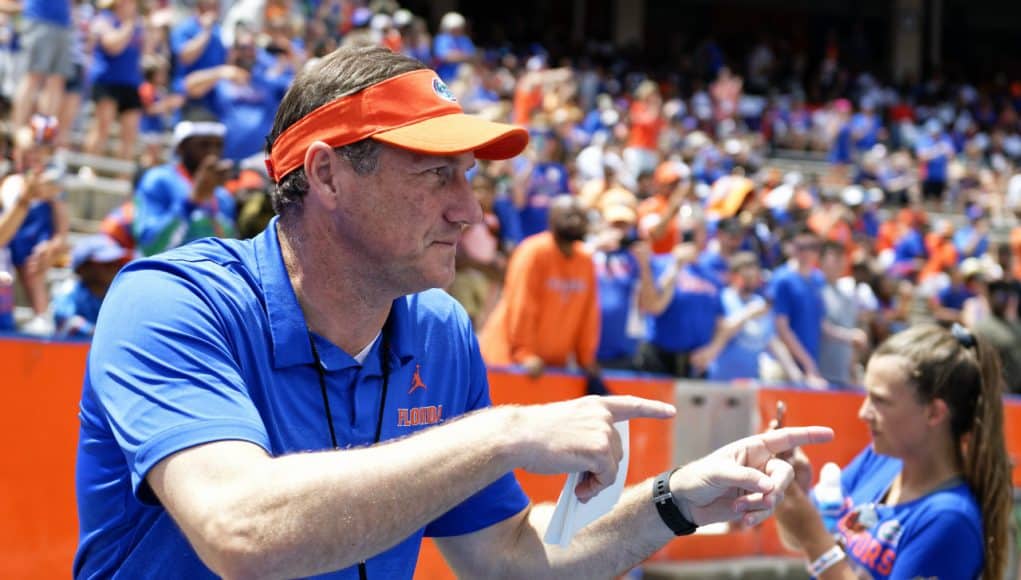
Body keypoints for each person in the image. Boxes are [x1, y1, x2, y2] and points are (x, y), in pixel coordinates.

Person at [75, 46, 833, 579]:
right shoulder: (169, 301)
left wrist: (675, 500)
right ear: (327, 174)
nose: (469, 211)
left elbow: (508, 559)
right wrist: (499, 434)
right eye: (436, 175)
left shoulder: (437, 328)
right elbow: (242, 531)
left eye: (468, 177)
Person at [774, 323, 1011, 579]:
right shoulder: (880, 459)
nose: (863, 413)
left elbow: (813, 541)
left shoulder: (948, 520)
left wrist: (814, 540)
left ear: (934, 413)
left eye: (880, 401)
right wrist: (792, 493)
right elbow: (798, 539)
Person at [479, 194, 600, 380]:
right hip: (509, 362)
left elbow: (589, 313)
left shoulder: (586, 260)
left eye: (580, 217)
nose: (575, 221)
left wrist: (586, 358)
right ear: (551, 219)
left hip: (550, 367)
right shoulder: (533, 252)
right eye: (568, 216)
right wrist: (524, 354)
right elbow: (522, 305)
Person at [130, 113, 237, 256]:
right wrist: (190, 202)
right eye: (204, 145)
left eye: (218, 146)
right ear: (181, 147)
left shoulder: (223, 196)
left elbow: (226, 250)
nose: (213, 154)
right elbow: (149, 247)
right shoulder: (158, 180)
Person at [84, 0, 144, 161]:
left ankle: (123, 175)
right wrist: (128, 26)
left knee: (130, 133)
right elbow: (113, 46)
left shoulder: (139, 25)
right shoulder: (104, 19)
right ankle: (89, 166)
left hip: (130, 82)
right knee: (102, 127)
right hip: (107, 80)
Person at [10, 0, 73, 129]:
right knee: (33, 77)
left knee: (56, 80)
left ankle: (44, 132)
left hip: (63, 24)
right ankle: (17, 129)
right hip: (39, 20)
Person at [52, 234, 127, 337]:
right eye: (107, 263)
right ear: (83, 268)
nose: (115, 267)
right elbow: (66, 322)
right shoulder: (69, 291)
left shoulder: (121, 294)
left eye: (117, 262)